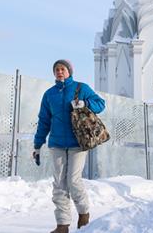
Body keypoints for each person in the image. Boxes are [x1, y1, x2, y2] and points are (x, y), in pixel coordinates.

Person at [33, 59, 106, 233]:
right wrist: (37, 145)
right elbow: (43, 121)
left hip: (77, 143)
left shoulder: (81, 88)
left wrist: (86, 104)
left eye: (62, 69)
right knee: (59, 183)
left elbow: (101, 104)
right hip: (57, 144)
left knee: (73, 180)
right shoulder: (49, 94)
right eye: (57, 69)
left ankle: (84, 213)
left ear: (69, 72)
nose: (60, 72)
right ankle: (62, 224)